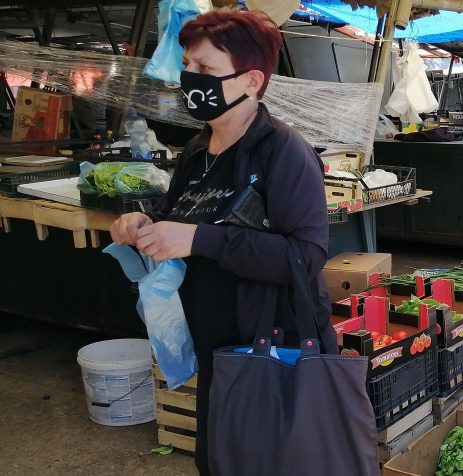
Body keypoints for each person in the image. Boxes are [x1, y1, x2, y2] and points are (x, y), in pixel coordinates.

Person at [109, 10, 336, 474]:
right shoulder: (197, 151)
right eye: (189, 66)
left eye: (207, 70)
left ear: (252, 80)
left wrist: (201, 240)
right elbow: (183, 219)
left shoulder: (284, 151)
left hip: (270, 348)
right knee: (217, 459)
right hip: (215, 346)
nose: (191, 78)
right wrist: (142, 225)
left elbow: (305, 257)